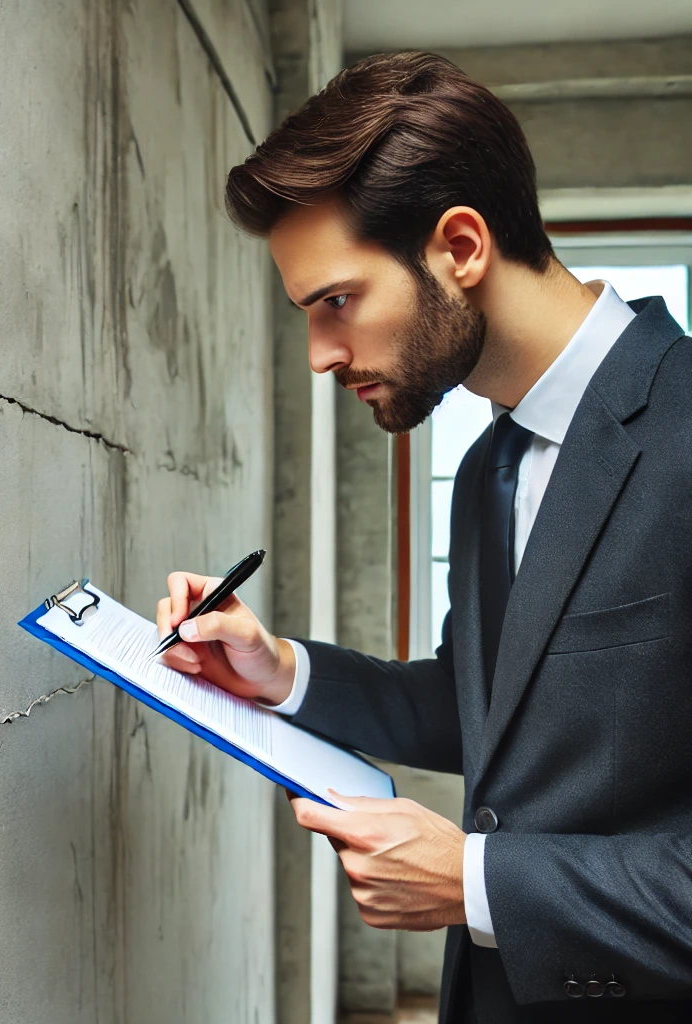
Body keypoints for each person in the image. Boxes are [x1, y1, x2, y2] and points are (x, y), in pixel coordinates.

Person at [156, 51, 692, 1023]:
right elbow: (485, 702)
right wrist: (279, 670)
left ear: (459, 246)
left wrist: (475, 882)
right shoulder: (487, 468)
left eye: (336, 303)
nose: (320, 355)